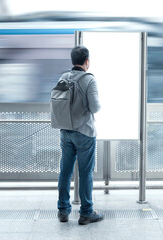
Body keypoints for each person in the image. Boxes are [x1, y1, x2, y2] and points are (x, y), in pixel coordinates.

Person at [57, 46, 104, 225]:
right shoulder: (88, 80)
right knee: (85, 174)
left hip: (66, 131)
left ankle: (63, 211)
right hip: (84, 132)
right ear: (86, 61)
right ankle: (86, 213)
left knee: (65, 172)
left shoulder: (63, 77)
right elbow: (95, 107)